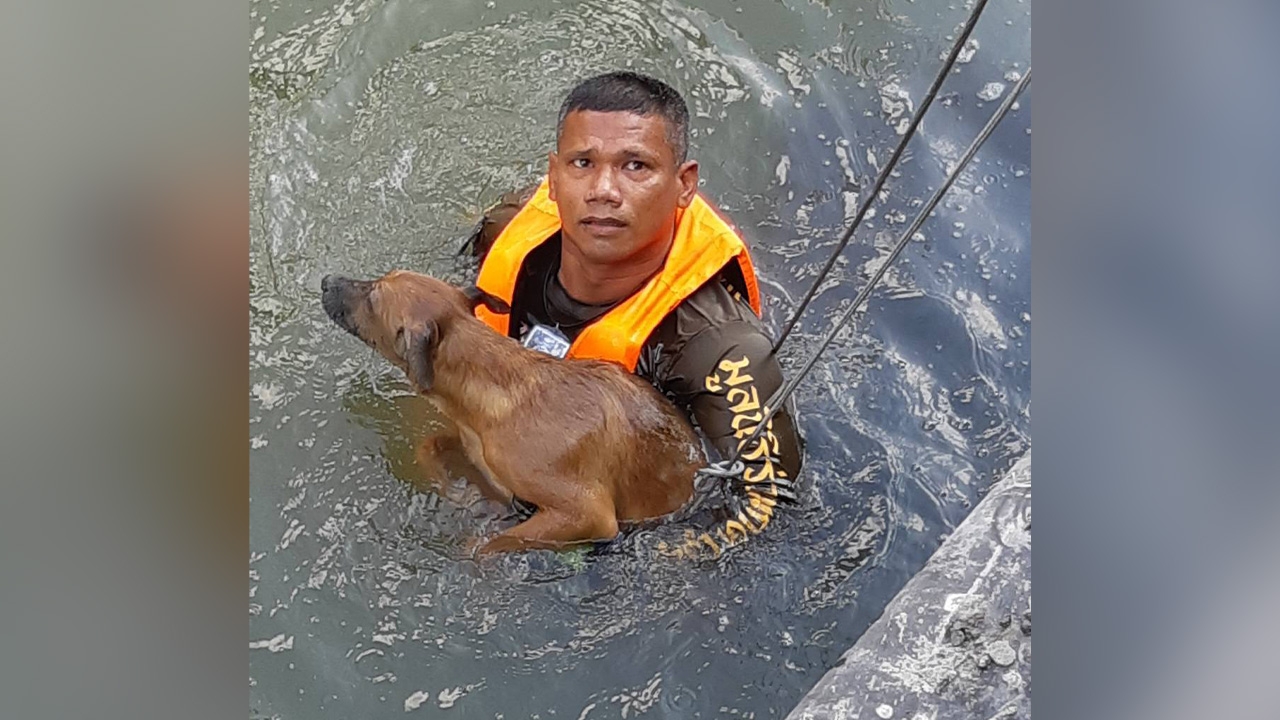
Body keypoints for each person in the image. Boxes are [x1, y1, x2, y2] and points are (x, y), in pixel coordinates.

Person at [465, 71, 801, 551]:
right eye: (582, 163)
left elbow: (768, 507)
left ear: (684, 184)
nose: (603, 189)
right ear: (554, 177)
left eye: (636, 166)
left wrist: (647, 558)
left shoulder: (719, 350)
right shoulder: (508, 234)